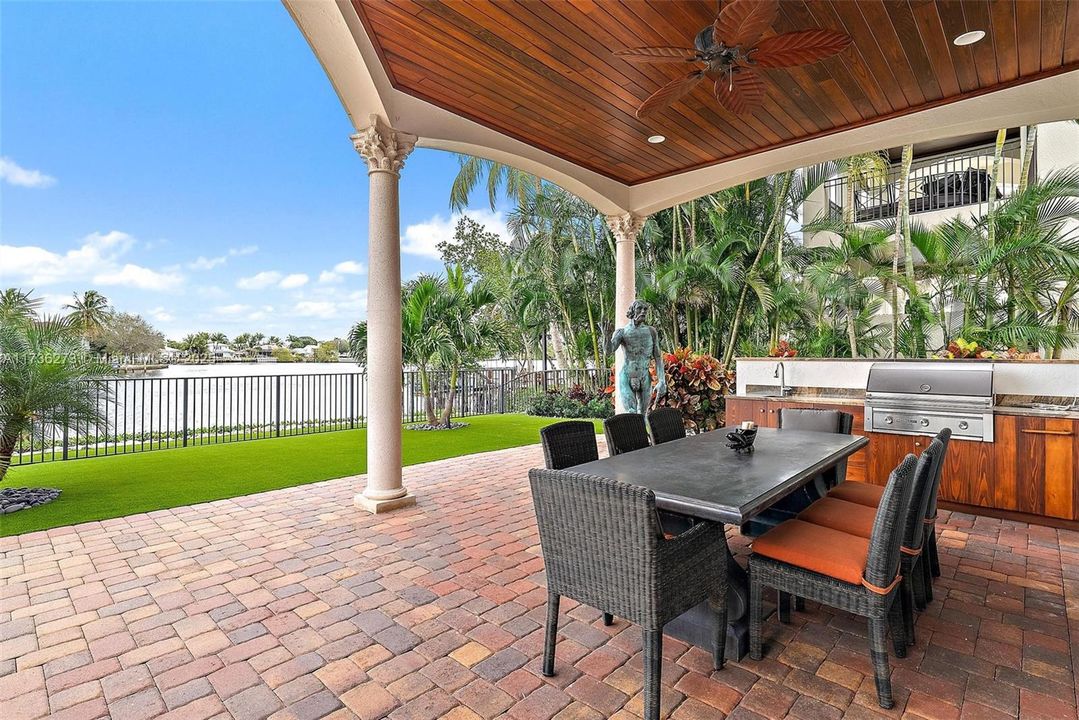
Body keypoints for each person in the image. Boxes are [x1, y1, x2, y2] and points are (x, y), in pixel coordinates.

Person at [608, 299, 666, 413]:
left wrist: (662, 381)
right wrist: (606, 338)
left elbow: (658, 357)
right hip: (627, 375)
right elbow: (609, 351)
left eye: (645, 309)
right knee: (631, 414)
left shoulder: (651, 332)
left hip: (644, 376)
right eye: (640, 309)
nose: (643, 312)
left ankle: (644, 431)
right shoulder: (622, 332)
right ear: (632, 311)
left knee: (643, 415)